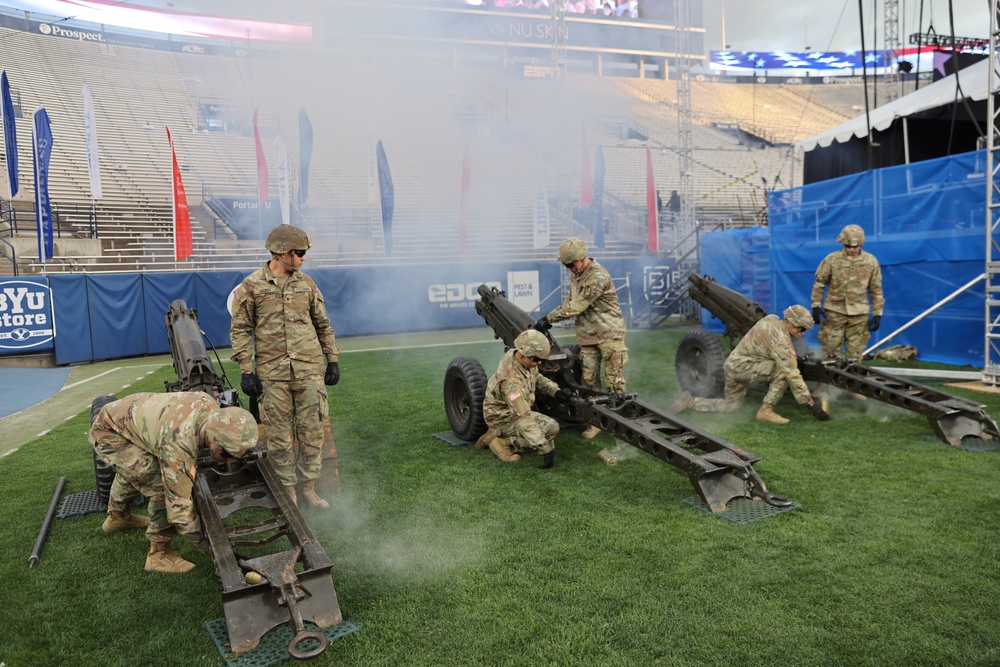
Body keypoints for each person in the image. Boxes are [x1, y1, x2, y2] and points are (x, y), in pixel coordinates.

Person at [230, 224, 341, 510]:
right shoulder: (252, 286)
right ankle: (288, 492)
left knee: (313, 431)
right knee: (279, 438)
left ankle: (308, 488)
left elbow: (322, 324)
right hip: (272, 375)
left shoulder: (307, 284)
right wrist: (246, 370)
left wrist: (333, 359)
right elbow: (241, 329)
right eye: (300, 252)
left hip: (308, 371)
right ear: (281, 253)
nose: (304, 258)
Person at [89, 392, 257, 574]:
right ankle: (158, 554)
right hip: (109, 433)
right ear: (211, 437)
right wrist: (218, 552)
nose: (230, 461)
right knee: (161, 485)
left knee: (135, 470)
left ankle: (118, 518)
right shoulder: (180, 444)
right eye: (226, 455)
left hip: (124, 421)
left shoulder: (212, 411)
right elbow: (179, 512)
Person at [670, 305, 831, 424]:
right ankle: (765, 410)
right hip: (743, 369)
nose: (802, 333)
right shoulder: (780, 341)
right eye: (801, 329)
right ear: (791, 322)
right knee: (783, 371)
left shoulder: (772, 319)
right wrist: (810, 403)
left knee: (731, 406)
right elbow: (791, 371)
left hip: (733, 367)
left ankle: (690, 402)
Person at [535, 237, 628, 439]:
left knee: (615, 383)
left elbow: (578, 306)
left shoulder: (597, 276)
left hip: (609, 334)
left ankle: (620, 424)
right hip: (588, 338)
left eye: (570, 264)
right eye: (566, 265)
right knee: (588, 383)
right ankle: (595, 422)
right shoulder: (577, 276)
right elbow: (570, 301)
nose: (569, 269)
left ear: (581, 259)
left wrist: (549, 319)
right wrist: (549, 318)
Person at [479, 329, 573, 468]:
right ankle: (500, 443)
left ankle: (498, 435)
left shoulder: (521, 358)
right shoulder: (510, 383)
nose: (539, 363)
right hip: (502, 417)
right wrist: (545, 449)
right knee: (546, 434)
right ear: (524, 354)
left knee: (551, 429)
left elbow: (536, 377)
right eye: (537, 359)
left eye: (542, 359)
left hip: (512, 412)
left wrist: (555, 390)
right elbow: (522, 416)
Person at [810, 224, 884, 399]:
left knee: (855, 353)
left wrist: (878, 312)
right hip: (835, 311)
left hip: (859, 314)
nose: (852, 250)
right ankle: (823, 387)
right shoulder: (831, 260)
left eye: (856, 246)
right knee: (830, 351)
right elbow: (819, 283)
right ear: (843, 243)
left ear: (862, 244)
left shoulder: (871, 261)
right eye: (848, 246)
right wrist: (815, 305)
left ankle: (853, 387)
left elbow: (876, 288)